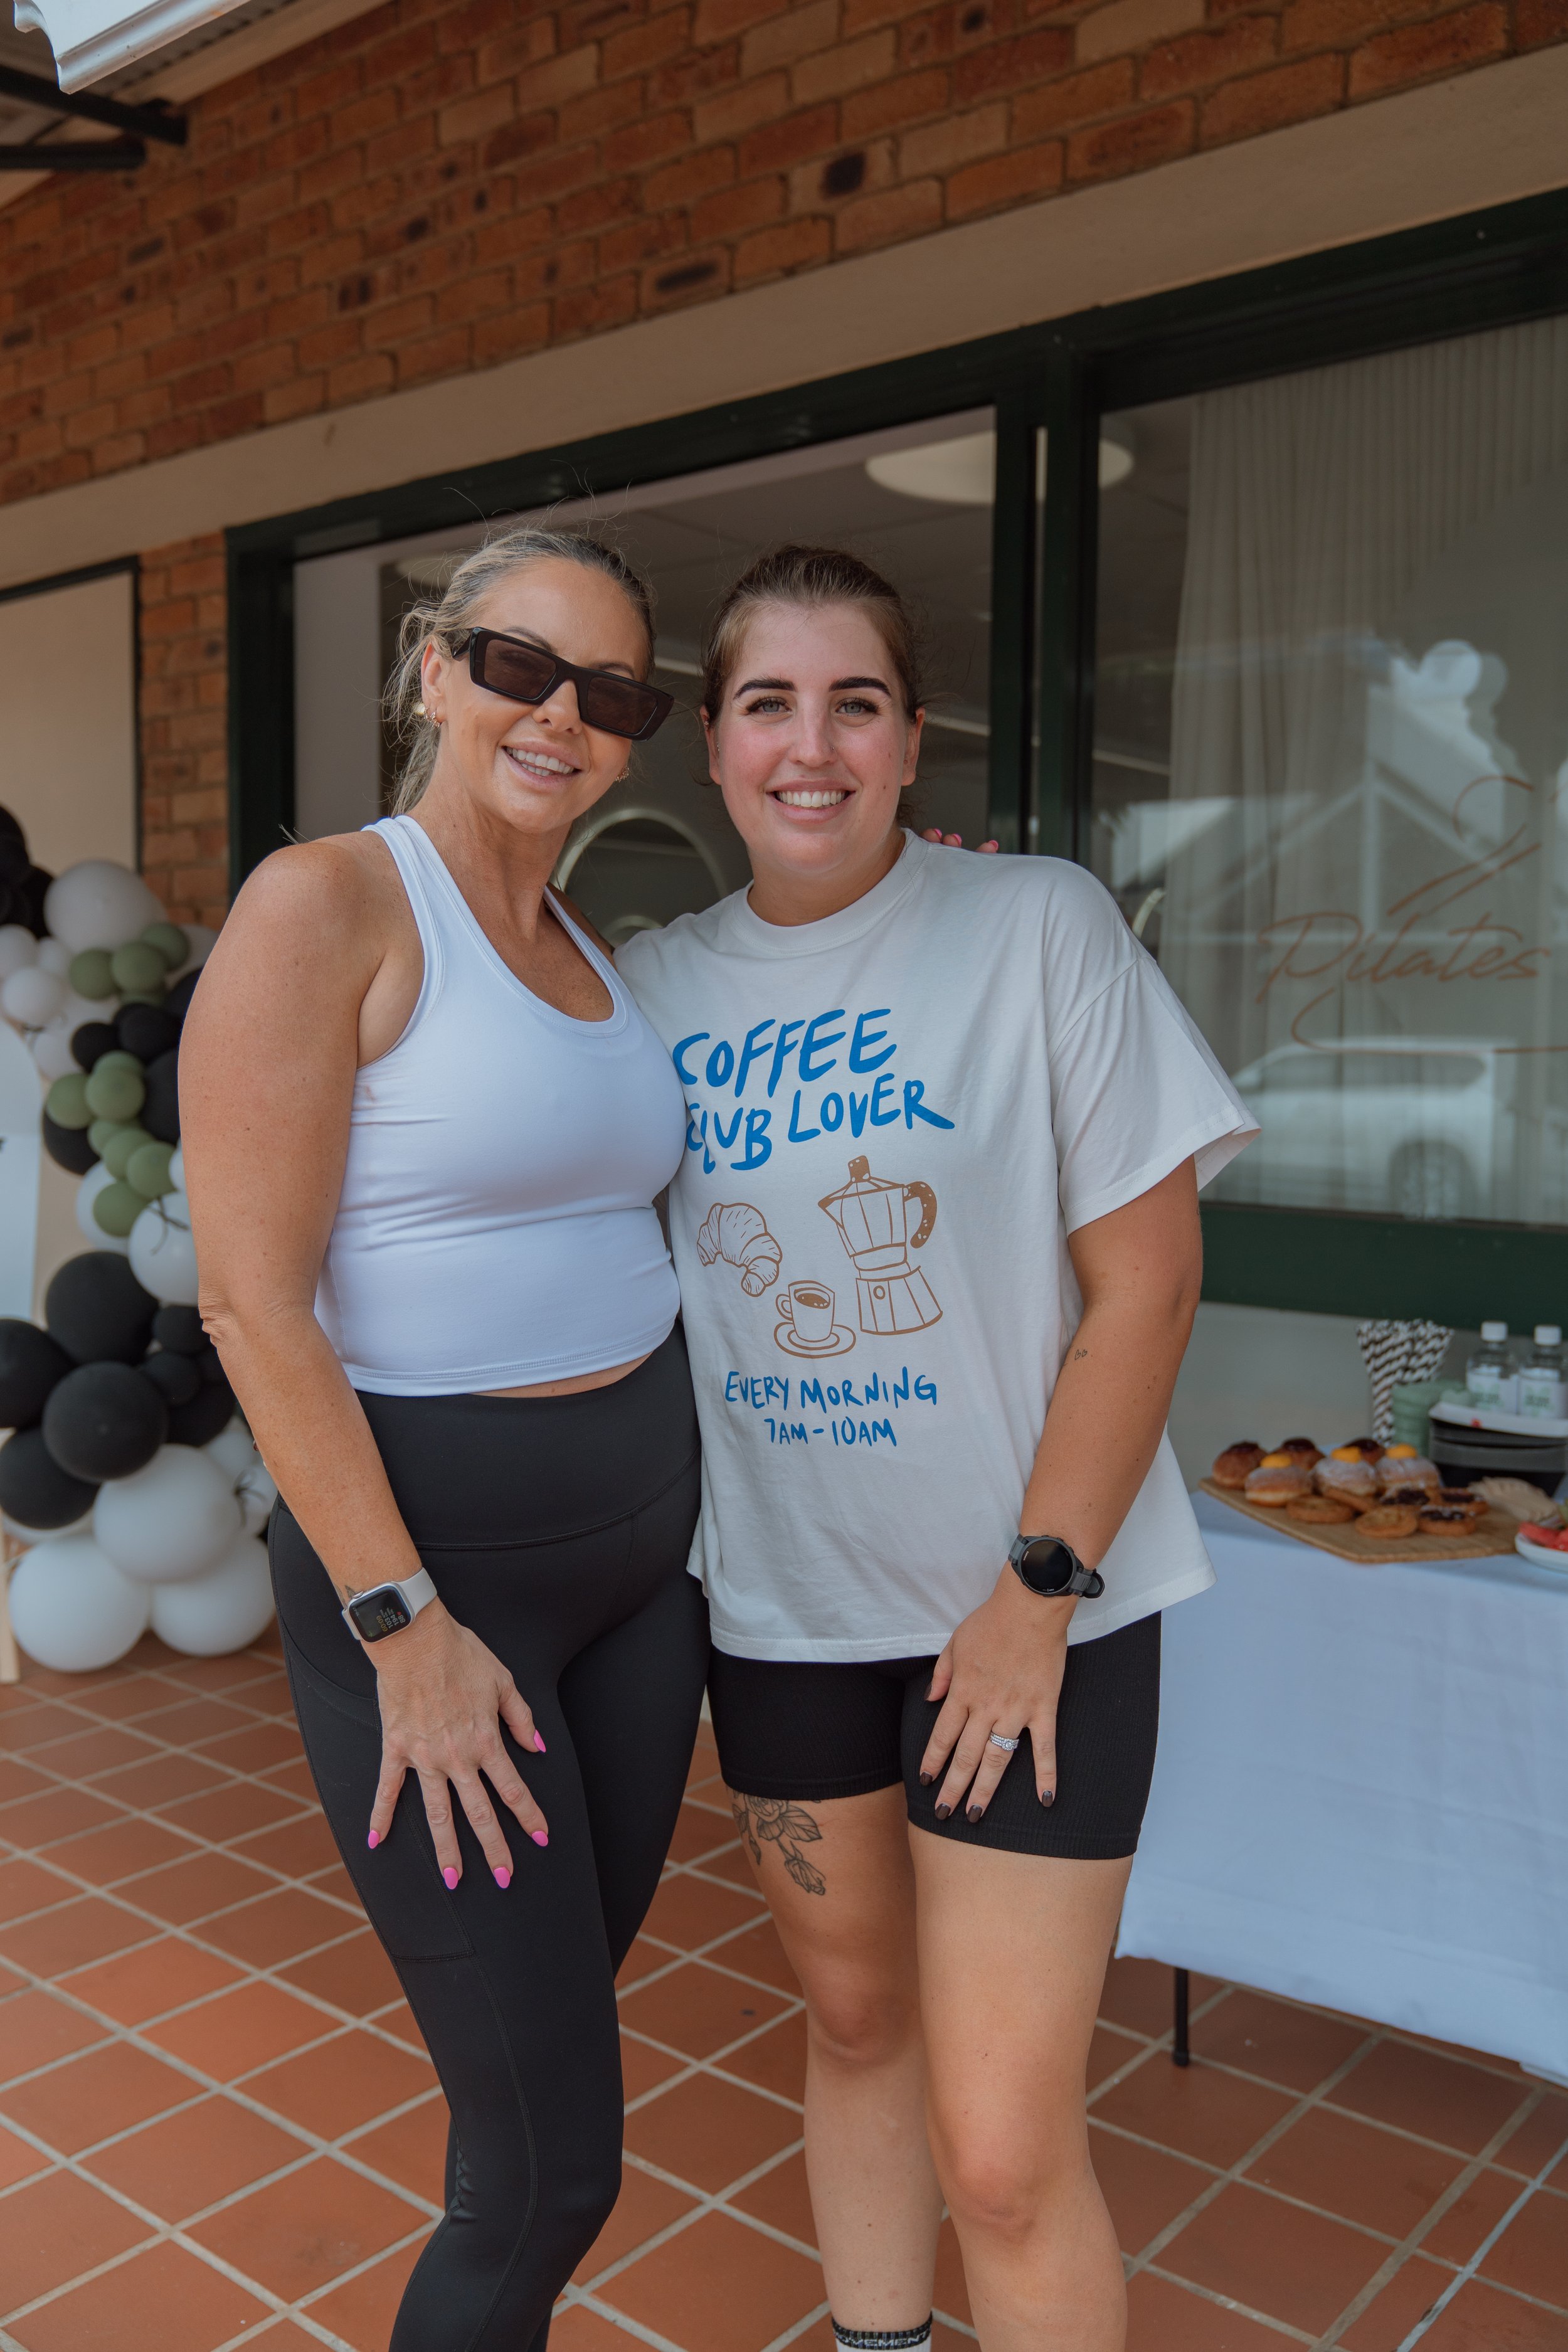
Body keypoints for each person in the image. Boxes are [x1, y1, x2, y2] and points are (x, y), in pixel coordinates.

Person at [617, 546, 1256, 2352]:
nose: (808, 744)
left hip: (1030, 1618)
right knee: (851, 2028)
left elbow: (1146, 1285)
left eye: (856, 703)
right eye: (766, 702)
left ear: (912, 743)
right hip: (789, 1611)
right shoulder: (650, 988)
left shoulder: (1035, 924)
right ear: (716, 748)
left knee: (1000, 2145)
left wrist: (1035, 1593)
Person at [180, 526, 710, 2352]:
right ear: (431, 671)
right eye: (517, 666)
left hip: (640, 1588)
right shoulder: (325, 903)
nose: (560, 715)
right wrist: (401, 1626)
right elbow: (253, 1300)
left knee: (548, 2040)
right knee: (548, 2170)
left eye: (613, 692)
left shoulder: (589, 939)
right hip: (444, 1604)